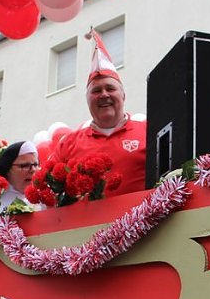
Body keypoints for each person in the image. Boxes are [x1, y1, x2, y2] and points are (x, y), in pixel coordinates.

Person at [49, 29, 146, 196]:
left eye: (110, 88)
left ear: (123, 95)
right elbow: (49, 191)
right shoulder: (68, 143)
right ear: (87, 100)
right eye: (96, 91)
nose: (104, 95)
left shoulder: (148, 130)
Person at [0, 141, 43, 212]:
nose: (33, 170)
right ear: (8, 169)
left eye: (36, 164)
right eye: (24, 165)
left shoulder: (46, 196)